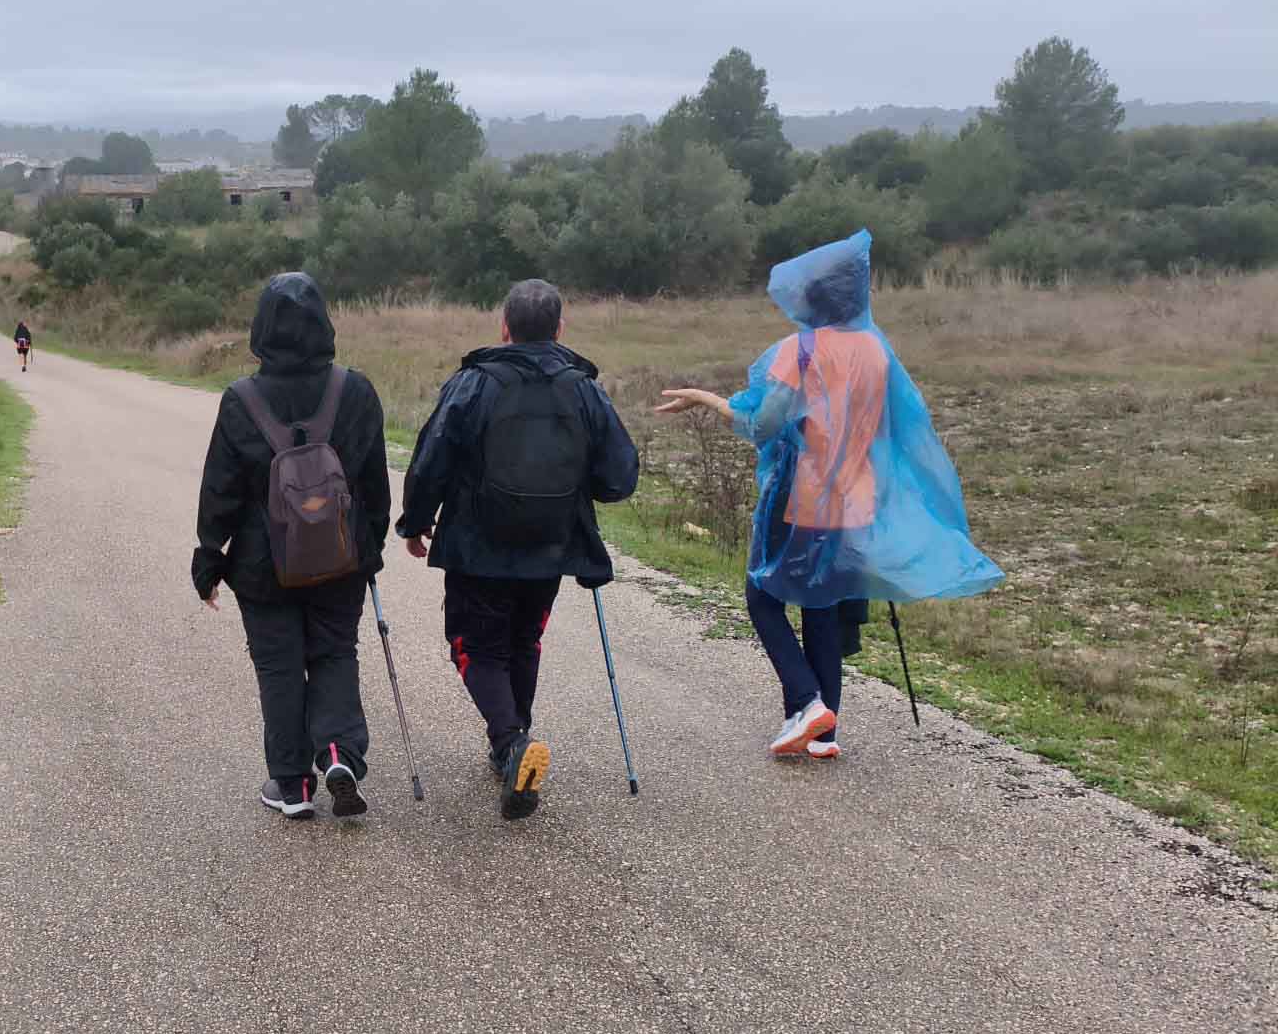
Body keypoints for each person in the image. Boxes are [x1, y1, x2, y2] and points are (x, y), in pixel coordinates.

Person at [655, 229, 1002, 759]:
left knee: (762, 596)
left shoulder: (800, 350)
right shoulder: (876, 351)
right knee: (823, 606)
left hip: (802, 499)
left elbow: (760, 424)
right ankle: (825, 735)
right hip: (856, 500)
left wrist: (704, 398)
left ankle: (805, 700)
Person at [396, 278, 638, 819]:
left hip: (477, 542)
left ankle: (510, 743)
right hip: (552, 544)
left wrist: (415, 522)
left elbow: (432, 456)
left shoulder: (474, 383)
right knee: (524, 640)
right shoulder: (584, 389)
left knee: (474, 646)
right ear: (559, 328)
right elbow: (620, 477)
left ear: (504, 327)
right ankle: (512, 742)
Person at [194, 272, 390, 819]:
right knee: (334, 652)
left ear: (261, 328)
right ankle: (337, 750)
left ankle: (293, 784)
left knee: (278, 666)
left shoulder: (241, 400)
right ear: (324, 323)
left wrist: (209, 559)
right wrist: (369, 545)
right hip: (340, 557)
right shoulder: (356, 390)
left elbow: (220, 490)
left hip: (263, 566)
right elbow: (374, 480)